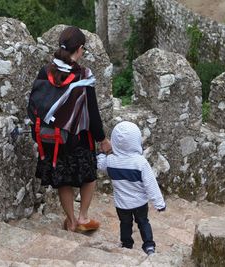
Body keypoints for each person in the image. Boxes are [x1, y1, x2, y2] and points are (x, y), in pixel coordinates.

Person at [28, 26, 111, 232]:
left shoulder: (46, 71)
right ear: (80, 48)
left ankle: (71, 221)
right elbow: (92, 112)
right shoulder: (84, 75)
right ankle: (83, 218)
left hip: (53, 138)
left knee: (64, 180)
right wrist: (102, 139)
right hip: (78, 137)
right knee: (89, 176)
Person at [97, 121, 166, 255]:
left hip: (121, 204)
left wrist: (100, 153)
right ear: (136, 141)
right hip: (140, 202)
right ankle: (149, 245)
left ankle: (126, 245)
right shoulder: (140, 163)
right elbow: (151, 184)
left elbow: (100, 165)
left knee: (125, 224)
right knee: (143, 222)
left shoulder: (111, 161)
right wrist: (159, 203)